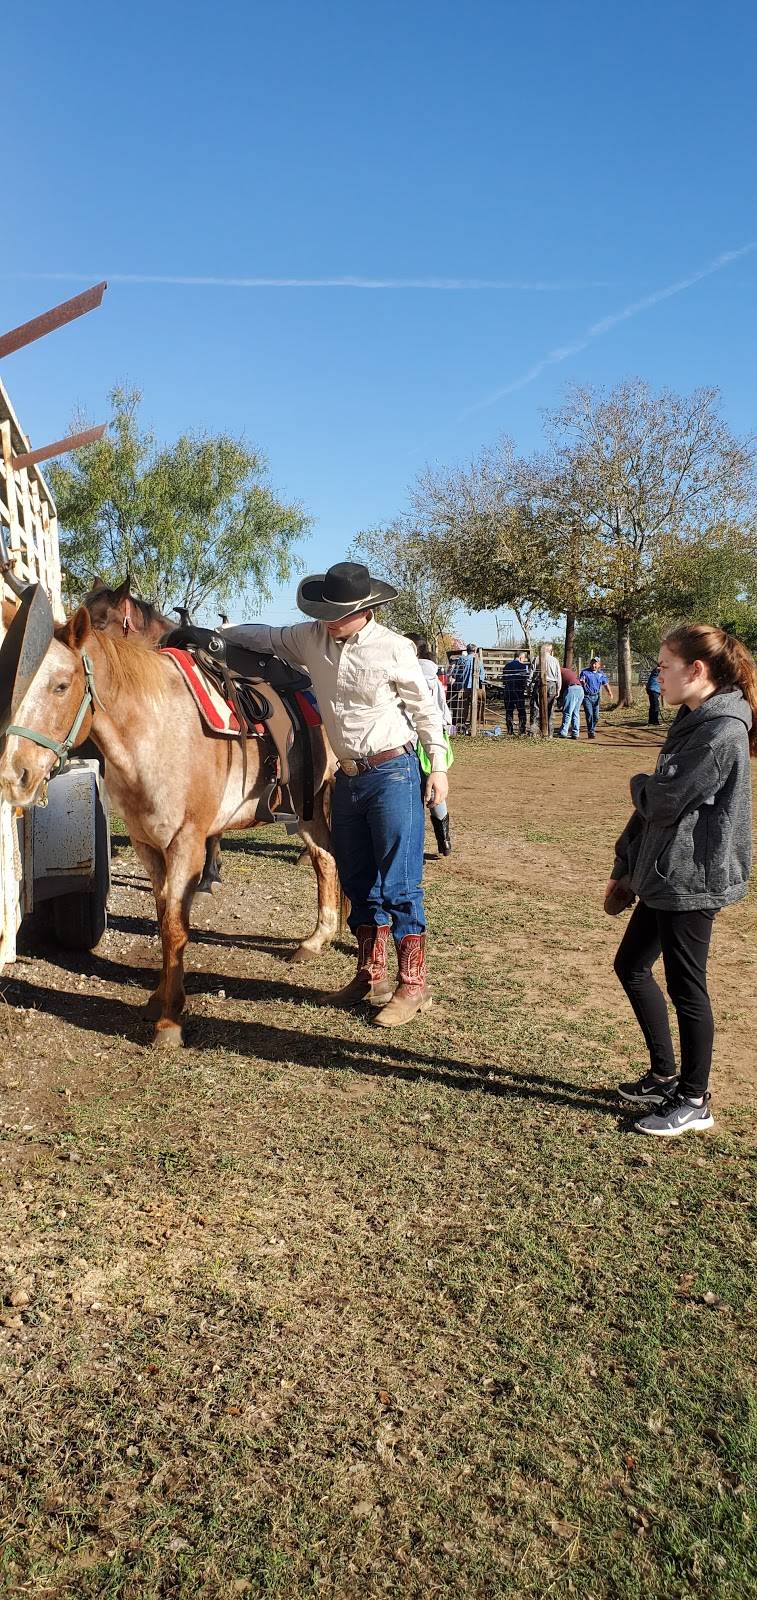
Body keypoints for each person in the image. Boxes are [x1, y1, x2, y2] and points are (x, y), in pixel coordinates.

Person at [224, 561, 448, 1025]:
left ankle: (413, 985)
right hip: (346, 777)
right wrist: (213, 631)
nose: (329, 618)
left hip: (393, 770)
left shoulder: (394, 648)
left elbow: (426, 712)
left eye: (338, 611)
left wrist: (438, 767)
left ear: (365, 610)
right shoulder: (310, 638)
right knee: (358, 879)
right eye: (324, 609)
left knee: (400, 883)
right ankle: (371, 974)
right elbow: (265, 636)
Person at [607, 624, 756, 1137]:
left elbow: (663, 800)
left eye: (664, 666)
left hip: (694, 877)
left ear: (697, 671)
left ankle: (694, 1099)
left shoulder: (721, 731)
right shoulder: (693, 719)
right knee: (631, 965)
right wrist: (625, 866)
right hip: (665, 871)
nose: (658, 675)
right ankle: (664, 1075)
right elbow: (657, 806)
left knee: (687, 987)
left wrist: (639, 784)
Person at [405, 634, 453, 856]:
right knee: (434, 789)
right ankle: (444, 841)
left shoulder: (409, 674)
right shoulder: (435, 677)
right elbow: (444, 710)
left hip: (413, 739)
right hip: (437, 738)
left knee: (413, 793)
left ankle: (416, 849)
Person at [580, 656, 612, 738]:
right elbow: (581, 680)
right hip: (587, 696)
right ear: (590, 664)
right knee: (589, 715)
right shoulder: (584, 672)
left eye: (595, 664)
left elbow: (605, 684)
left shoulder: (601, 674)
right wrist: (582, 683)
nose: (593, 665)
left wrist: (610, 693)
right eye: (592, 663)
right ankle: (591, 732)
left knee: (596, 717)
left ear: (599, 665)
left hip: (596, 697)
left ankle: (592, 729)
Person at [502, 650, 529, 735]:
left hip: (508, 691)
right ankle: (522, 730)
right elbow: (525, 680)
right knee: (521, 711)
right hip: (518, 691)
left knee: (509, 711)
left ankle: (510, 731)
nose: (524, 660)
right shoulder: (523, 666)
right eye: (524, 658)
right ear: (521, 657)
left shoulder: (506, 666)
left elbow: (504, 679)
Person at [557, 663, 585, 739]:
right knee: (575, 713)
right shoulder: (566, 671)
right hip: (580, 690)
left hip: (572, 689)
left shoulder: (558, 672)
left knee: (567, 712)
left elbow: (560, 686)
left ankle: (563, 732)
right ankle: (575, 733)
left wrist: (559, 698)